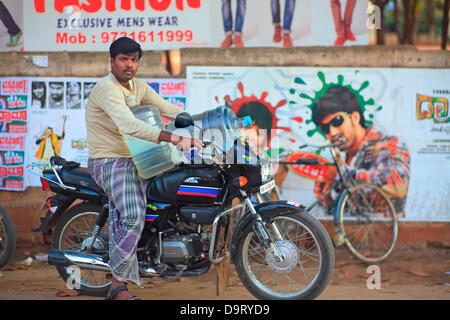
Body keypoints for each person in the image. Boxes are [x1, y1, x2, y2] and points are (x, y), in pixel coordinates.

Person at [85, 37, 203, 300]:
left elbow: (168, 109)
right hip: (110, 161)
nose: (129, 65)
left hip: (138, 157)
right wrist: (174, 138)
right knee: (133, 216)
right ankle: (117, 285)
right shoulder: (107, 89)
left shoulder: (138, 87)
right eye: (124, 59)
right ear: (112, 62)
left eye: (134, 59)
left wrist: (199, 124)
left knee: (171, 194)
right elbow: (129, 125)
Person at [312, 86, 410, 218]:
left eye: (337, 121)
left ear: (355, 117)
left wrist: (344, 174)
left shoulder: (388, 144)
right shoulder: (340, 157)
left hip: (382, 234)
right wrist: (327, 199)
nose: (332, 132)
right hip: (351, 235)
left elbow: (397, 184)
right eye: (325, 128)